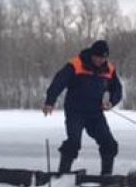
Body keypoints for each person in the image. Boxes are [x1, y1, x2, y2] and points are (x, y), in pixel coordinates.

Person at [44, 39, 122, 176]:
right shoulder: (76, 64)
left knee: (109, 144)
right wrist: (50, 101)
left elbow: (117, 89)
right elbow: (59, 82)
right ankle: (63, 174)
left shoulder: (109, 69)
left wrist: (111, 102)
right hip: (75, 112)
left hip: (95, 114)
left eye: (103, 58)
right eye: (98, 57)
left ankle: (106, 176)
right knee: (73, 142)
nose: (100, 61)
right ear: (92, 54)